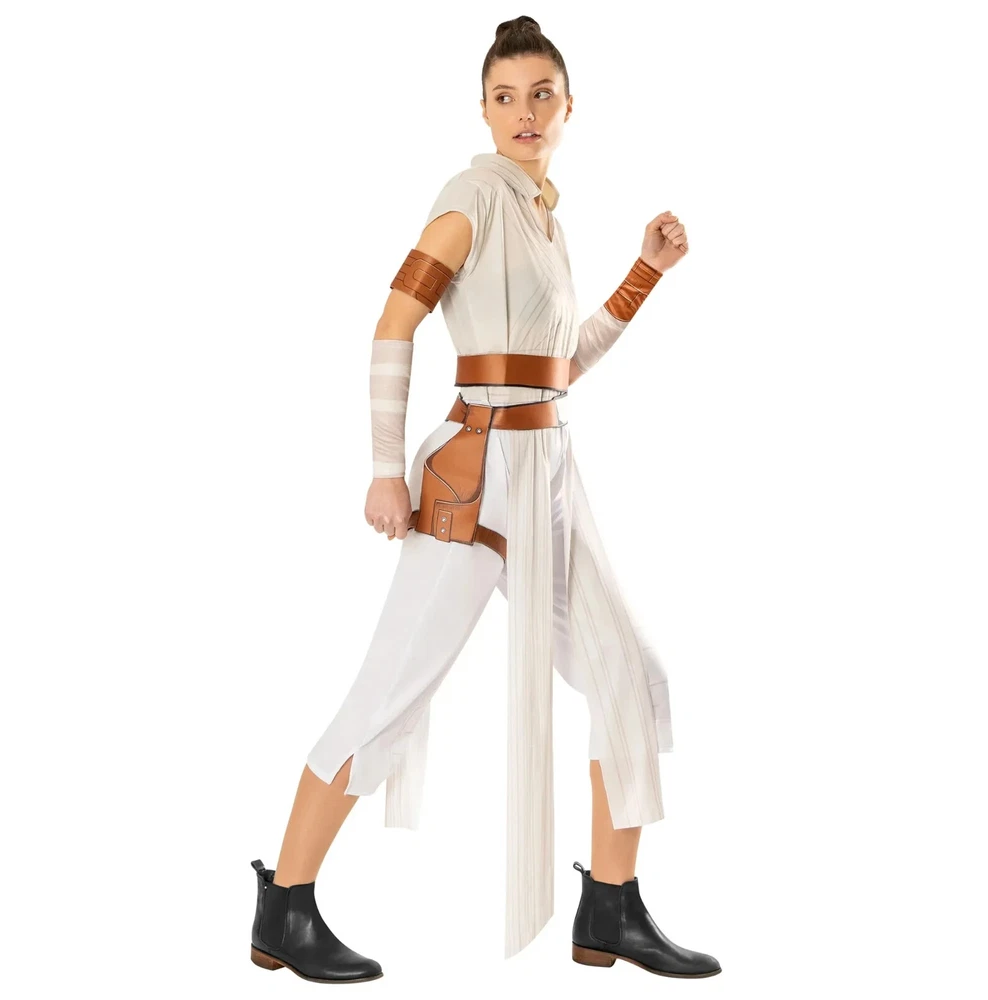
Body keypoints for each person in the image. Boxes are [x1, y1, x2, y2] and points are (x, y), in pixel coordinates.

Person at [249, 14, 720, 984]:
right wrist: (386, 467)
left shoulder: (545, 218)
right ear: (483, 109)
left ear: (569, 106)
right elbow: (395, 321)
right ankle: (284, 907)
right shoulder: (471, 197)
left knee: (632, 679)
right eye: (505, 97)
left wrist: (645, 273)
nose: (523, 112)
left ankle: (611, 909)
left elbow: (557, 367)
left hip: (549, 468)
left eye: (540, 95)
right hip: (471, 485)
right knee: (388, 697)